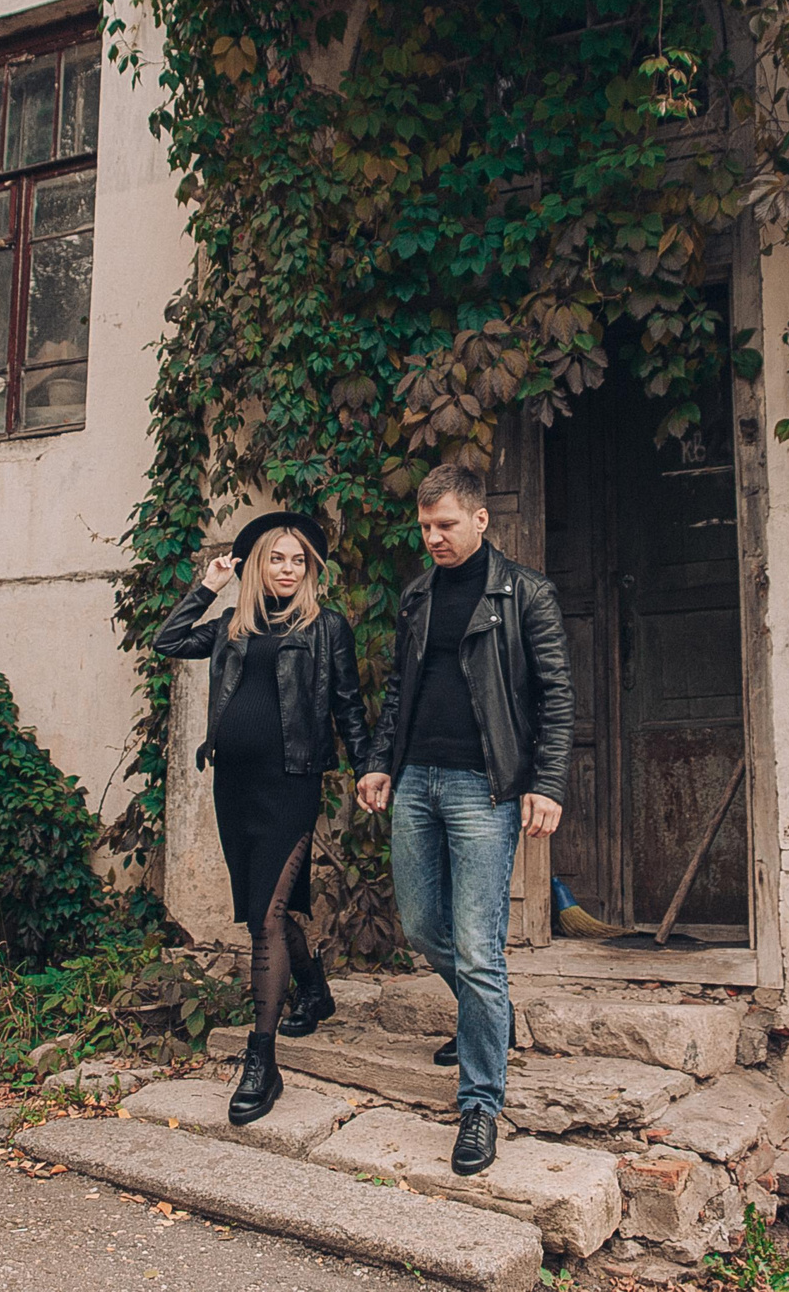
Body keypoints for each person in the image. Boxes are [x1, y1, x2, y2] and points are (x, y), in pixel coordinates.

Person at [355, 463, 572, 1176]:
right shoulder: (418, 595)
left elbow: (555, 695)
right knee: (423, 927)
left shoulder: (526, 593)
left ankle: (480, 1103)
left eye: (444, 524)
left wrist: (546, 783)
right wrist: (380, 762)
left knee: (480, 949)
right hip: (417, 779)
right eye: (425, 527)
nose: (433, 538)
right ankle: (489, 1019)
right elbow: (399, 690)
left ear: (480, 519)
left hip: (485, 787)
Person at [153, 511, 370, 1126]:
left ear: (310, 570)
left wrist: (369, 771)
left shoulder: (326, 627)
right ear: (255, 565)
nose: (288, 569)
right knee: (261, 909)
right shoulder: (231, 625)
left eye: (298, 560)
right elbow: (168, 641)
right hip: (234, 786)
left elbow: (349, 706)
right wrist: (208, 584)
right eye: (277, 558)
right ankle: (315, 990)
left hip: (291, 784)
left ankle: (262, 1059)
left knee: (267, 916)